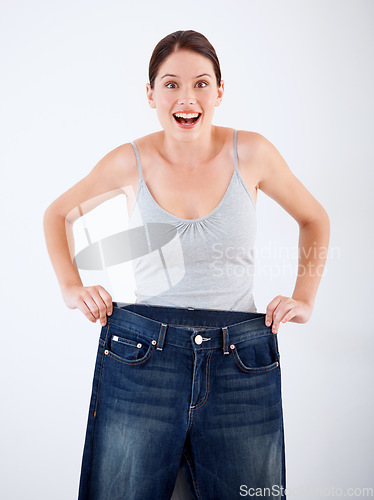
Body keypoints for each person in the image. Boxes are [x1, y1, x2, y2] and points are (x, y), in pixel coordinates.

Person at [43, 30, 330, 500]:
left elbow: (313, 218)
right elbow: (58, 214)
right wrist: (70, 286)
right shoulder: (130, 160)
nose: (187, 97)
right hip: (143, 358)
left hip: (238, 360)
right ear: (151, 94)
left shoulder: (252, 152)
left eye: (201, 83)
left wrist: (305, 297)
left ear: (219, 91)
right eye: (171, 84)